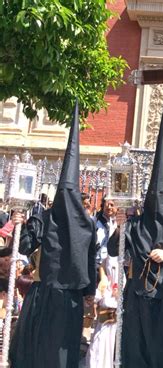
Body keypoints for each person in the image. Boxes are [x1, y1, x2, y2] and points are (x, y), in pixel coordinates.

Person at [108, 86, 163, 368]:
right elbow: (112, 250)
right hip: (136, 294)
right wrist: (120, 228)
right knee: (136, 349)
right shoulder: (135, 223)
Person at [9, 103, 97, 368]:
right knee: (50, 350)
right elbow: (25, 245)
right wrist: (20, 221)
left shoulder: (62, 220)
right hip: (52, 293)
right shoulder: (70, 221)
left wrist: (22, 226)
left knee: (49, 351)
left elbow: (26, 245)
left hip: (57, 295)